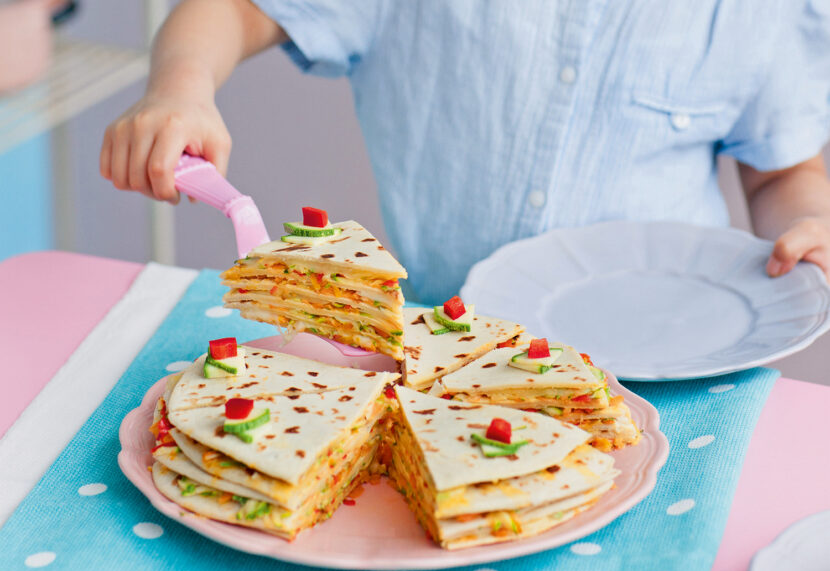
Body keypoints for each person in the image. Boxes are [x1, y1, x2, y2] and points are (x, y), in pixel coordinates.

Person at [100, 0, 830, 304]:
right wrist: (181, 86)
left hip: (668, 362)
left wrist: (810, 225)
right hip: (444, 349)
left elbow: (783, 170)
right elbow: (234, 9)